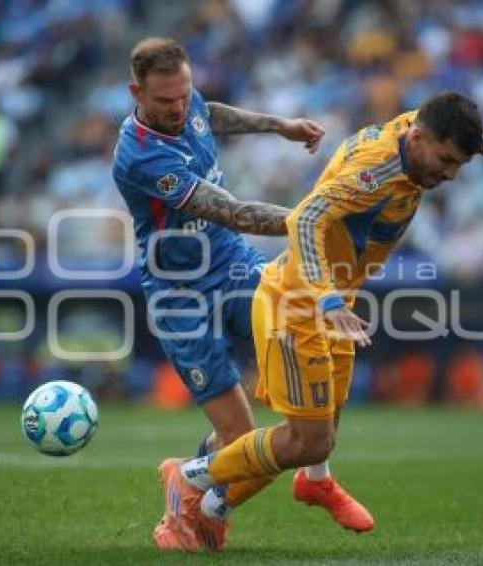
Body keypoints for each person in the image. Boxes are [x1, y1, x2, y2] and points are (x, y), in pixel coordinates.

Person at [173, 92, 483, 542]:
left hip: (334, 301)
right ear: (419, 138)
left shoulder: (418, 131)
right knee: (307, 439)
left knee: (326, 426)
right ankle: (190, 478)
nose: (449, 173)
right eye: (446, 160)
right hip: (299, 302)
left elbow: (449, 121)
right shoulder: (375, 170)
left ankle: (260, 494)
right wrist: (325, 299)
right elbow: (304, 220)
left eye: (459, 164)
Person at [111, 38, 372, 551]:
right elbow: (228, 210)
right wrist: (308, 222)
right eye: (165, 101)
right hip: (179, 293)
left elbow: (213, 115)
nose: (179, 108)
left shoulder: (187, 102)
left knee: (311, 313)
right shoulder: (140, 156)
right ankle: (189, 489)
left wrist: (279, 124)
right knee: (238, 436)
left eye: (184, 95)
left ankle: (311, 473)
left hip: (231, 264)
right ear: (135, 92)